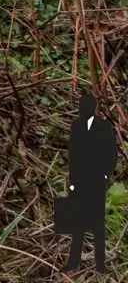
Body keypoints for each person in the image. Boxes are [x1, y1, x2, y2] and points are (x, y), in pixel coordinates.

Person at [59, 91, 117, 272]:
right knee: (78, 223)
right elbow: (73, 154)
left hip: (96, 181)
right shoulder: (76, 126)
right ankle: (72, 262)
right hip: (79, 181)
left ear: (92, 108)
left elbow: (111, 153)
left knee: (98, 224)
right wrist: (72, 180)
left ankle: (100, 264)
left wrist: (105, 175)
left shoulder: (104, 127)